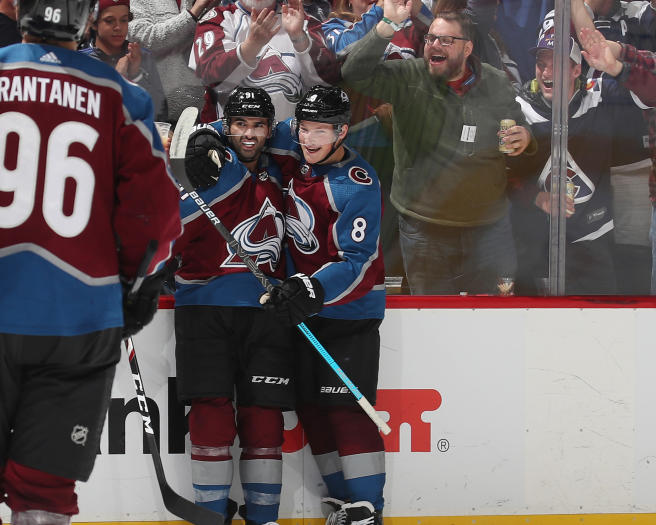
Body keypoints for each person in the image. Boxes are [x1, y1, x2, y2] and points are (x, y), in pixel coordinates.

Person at [0, 0, 182, 522]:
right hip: (80, 317)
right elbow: (155, 209)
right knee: (46, 494)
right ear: (87, 17)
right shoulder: (122, 96)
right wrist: (140, 281)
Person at [341, 1, 534, 295]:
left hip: (488, 228)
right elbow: (353, 72)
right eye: (431, 38)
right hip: (424, 228)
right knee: (431, 321)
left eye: (446, 40)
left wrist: (525, 138)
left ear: (467, 49)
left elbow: (518, 125)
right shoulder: (408, 77)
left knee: (494, 319)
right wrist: (387, 26)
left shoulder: (495, 81)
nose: (433, 45)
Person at [261, 85, 386, 525]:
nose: (309, 139)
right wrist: (208, 138)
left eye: (321, 130)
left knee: (345, 410)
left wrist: (310, 290)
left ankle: (369, 510)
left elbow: (357, 260)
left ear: (342, 131)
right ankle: (342, 501)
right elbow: (249, 129)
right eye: (304, 128)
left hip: (349, 314)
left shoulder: (358, 185)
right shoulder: (293, 148)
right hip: (306, 310)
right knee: (312, 407)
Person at [176, 87, 291, 525]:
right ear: (227, 127)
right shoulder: (208, 173)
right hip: (203, 310)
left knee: (264, 421)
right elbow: (165, 232)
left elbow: (306, 136)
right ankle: (209, 516)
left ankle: (265, 519)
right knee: (211, 417)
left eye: (258, 126)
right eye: (239, 124)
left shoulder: (281, 172)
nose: (249, 134)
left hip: (267, 311)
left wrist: (205, 132)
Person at [509, 27, 656, 294]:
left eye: (558, 65)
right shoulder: (518, 107)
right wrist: (536, 197)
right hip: (536, 242)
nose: (547, 73)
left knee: (598, 328)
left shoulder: (600, 95)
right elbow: (498, 174)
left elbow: (650, 95)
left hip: (593, 239)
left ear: (577, 70)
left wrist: (617, 68)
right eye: (541, 64)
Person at [189, 0, 339, 122]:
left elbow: (326, 83)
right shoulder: (217, 19)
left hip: (290, 147)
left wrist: (299, 38)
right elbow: (211, 77)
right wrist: (251, 46)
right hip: (232, 146)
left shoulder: (304, 22)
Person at [128, 0, 220, 122]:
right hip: (159, 110)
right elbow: (145, 38)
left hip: (203, 105)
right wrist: (195, 11)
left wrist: (211, 8)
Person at [79, 0, 168, 122]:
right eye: (109, 21)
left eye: (124, 20)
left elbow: (159, 114)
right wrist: (119, 78)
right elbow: (84, 117)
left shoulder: (142, 56)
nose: (118, 27)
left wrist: (136, 75)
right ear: (94, 23)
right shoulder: (80, 61)